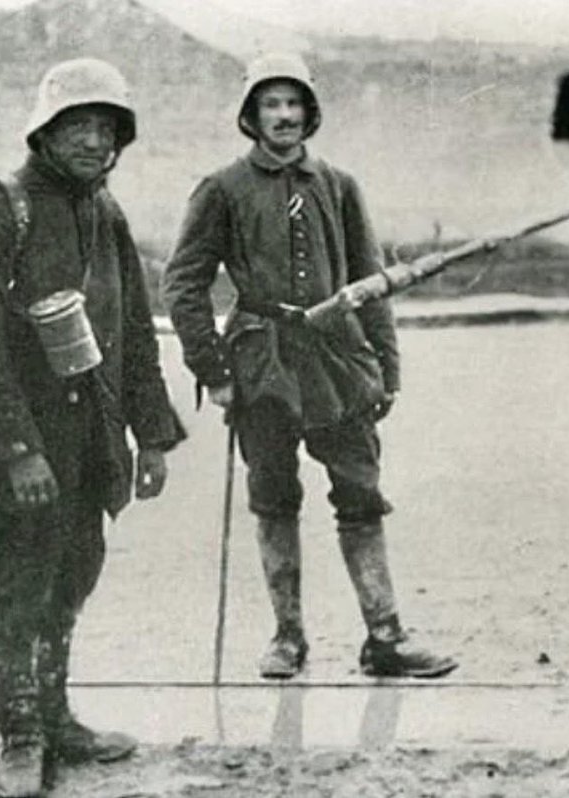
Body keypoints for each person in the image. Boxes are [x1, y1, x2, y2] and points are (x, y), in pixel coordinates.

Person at [0, 58, 186, 797]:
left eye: (106, 128)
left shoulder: (104, 216)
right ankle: (20, 739)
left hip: (90, 441)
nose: (93, 140)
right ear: (44, 132)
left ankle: (57, 720)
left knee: (74, 571)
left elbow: (135, 332)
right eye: (77, 124)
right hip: (15, 440)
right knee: (17, 579)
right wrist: (17, 452)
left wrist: (154, 436)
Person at [163, 52, 456, 681]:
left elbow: (370, 281)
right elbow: (183, 285)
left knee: (360, 489)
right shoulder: (221, 190)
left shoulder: (339, 185)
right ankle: (288, 637)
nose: (284, 116)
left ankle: (385, 637)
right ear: (251, 115)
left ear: (311, 112)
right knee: (273, 493)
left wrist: (386, 369)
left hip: (336, 361)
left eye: (294, 103)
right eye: (271, 104)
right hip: (261, 361)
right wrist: (212, 369)